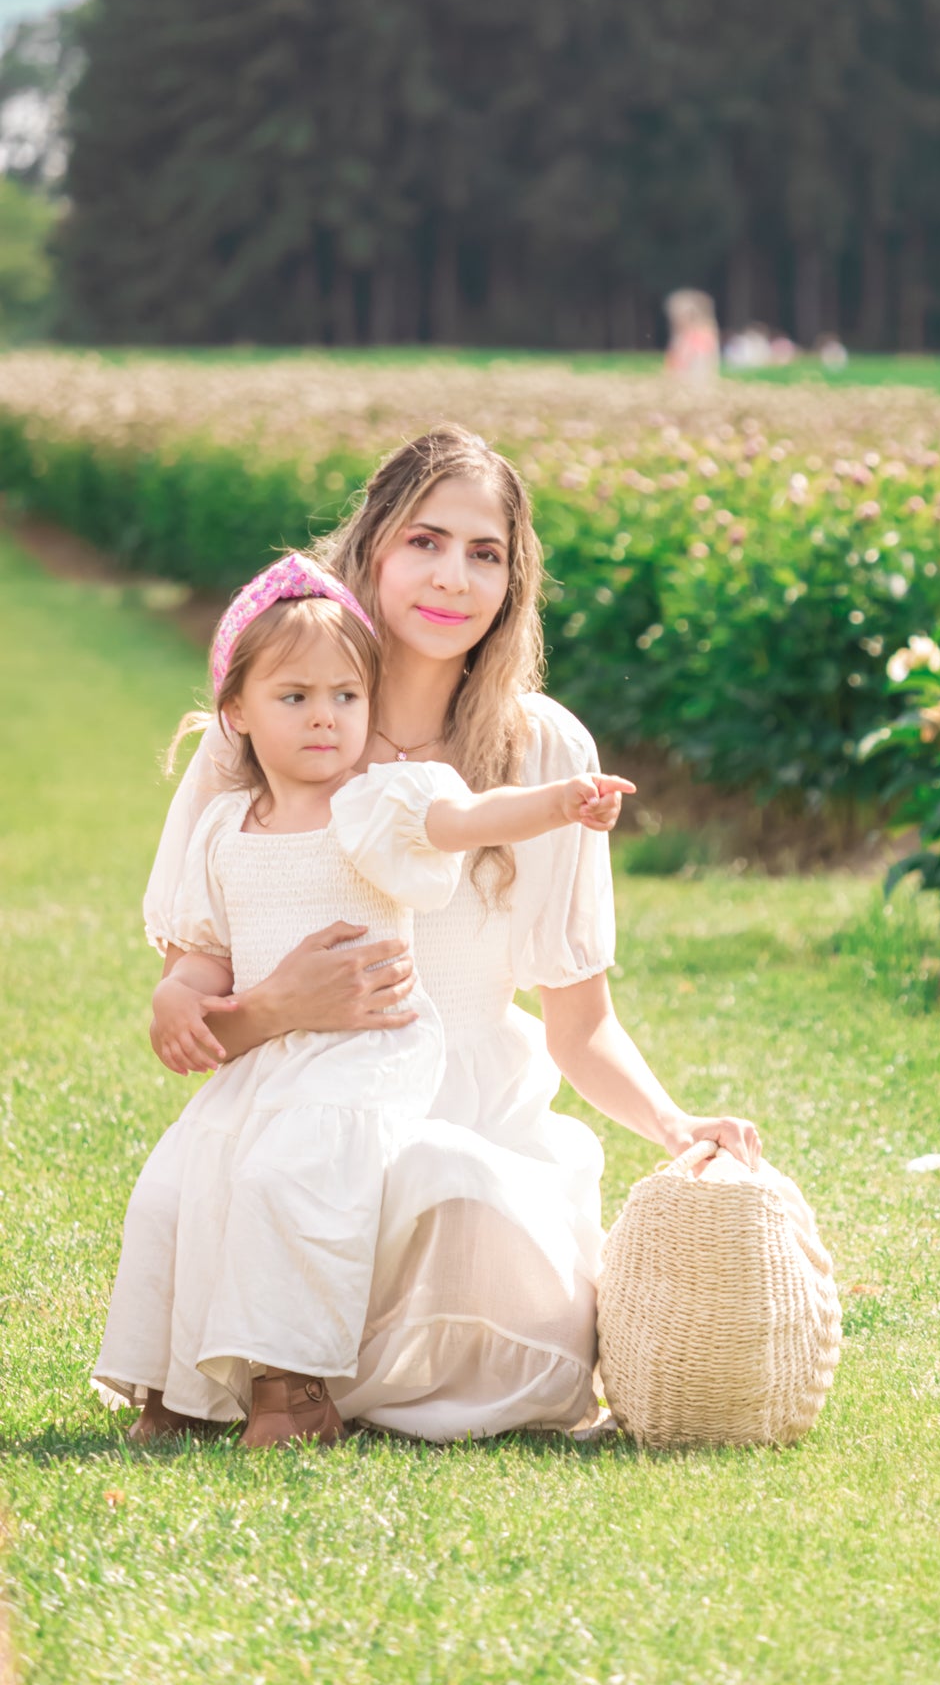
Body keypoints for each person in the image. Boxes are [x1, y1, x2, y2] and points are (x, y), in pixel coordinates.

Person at [128, 425, 761, 1442]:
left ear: (513, 582)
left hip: (473, 1119)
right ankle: (286, 1370)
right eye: (425, 540)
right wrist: (283, 1002)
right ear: (371, 547)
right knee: (309, 1186)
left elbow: (578, 1023)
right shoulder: (274, 730)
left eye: (486, 552)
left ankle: (310, 1369)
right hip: (302, 1108)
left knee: (448, 1190)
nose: (452, 577)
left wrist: (677, 1125)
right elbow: (195, 1024)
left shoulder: (545, 747)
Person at [94, 552, 632, 1447]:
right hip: (268, 1062)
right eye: (294, 697)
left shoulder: (375, 803)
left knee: (287, 1178)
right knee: (173, 1187)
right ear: (236, 712)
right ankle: (176, 1388)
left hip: (364, 1055)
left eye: (347, 697)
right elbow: (200, 957)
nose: (324, 718)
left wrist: (557, 803)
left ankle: (293, 1392)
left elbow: (465, 819)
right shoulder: (227, 825)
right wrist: (175, 1003)